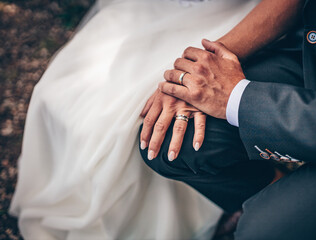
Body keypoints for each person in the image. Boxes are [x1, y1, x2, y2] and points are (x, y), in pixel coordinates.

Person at [9, 0, 264, 239]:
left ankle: (227, 203)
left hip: (234, 17)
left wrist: (201, 68)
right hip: (155, 9)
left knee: (133, 123)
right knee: (55, 95)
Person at [140, 0, 316, 239]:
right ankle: (275, 186)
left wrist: (237, 97)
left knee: (260, 231)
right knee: (166, 138)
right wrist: (205, 72)